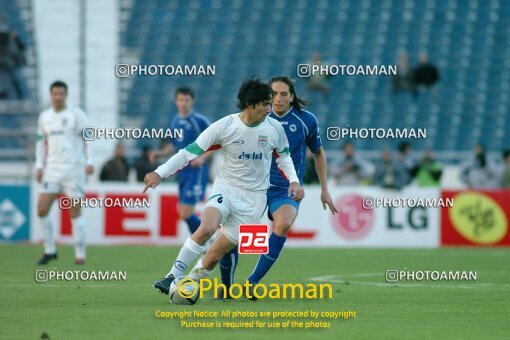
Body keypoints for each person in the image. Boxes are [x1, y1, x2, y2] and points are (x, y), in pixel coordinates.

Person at [146, 78, 303, 296]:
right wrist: (159, 172)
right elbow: (188, 153)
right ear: (251, 104)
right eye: (266, 104)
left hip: (254, 200)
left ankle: (187, 285)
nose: (270, 108)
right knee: (206, 228)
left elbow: (284, 158)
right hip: (226, 188)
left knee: (213, 256)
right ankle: (171, 277)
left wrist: (294, 180)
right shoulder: (225, 126)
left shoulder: (274, 128)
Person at [217, 76, 337, 299]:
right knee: (232, 234)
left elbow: (318, 153)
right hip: (252, 187)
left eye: (284, 94)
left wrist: (324, 189)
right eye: (274, 94)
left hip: (285, 189)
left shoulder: (306, 120)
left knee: (282, 224)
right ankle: (225, 289)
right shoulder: (257, 116)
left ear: (292, 97)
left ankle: (252, 283)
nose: (278, 99)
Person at [35, 81, 93, 265]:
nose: (58, 97)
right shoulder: (45, 117)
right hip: (52, 169)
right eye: (55, 94)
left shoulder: (76, 114)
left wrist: (90, 161)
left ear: (66, 95)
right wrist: (39, 165)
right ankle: (50, 250)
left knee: (74, 211)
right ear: (51, 95)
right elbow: (39, 141)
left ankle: (80, 253)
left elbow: (89, 138)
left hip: (74, 170)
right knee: (42, 209)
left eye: (61, 94)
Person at [150, 87, 211, 234]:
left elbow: (216, 141)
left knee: (186, 212)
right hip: (182, 170)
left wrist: (202, 158)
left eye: (187, 100)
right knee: (184, 212)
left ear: (192, 101)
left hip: (196, 170)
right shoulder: (176, 121)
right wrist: (160, 153)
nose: (184, 103)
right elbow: (174, 145)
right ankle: (205, 241)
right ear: (176, 101)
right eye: (181, 100)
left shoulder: (200, 121)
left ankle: (209, 238)